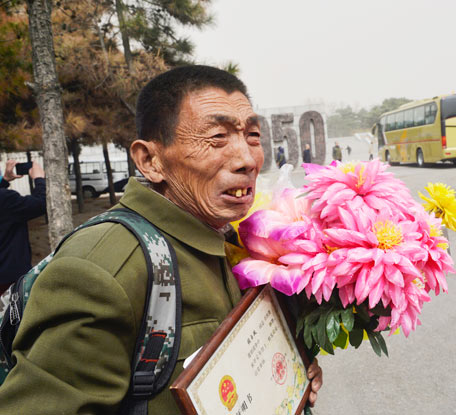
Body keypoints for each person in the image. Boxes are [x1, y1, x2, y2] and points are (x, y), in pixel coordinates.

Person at [0, 65, 322, 414]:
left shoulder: (229, 239)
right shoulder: (101, 269)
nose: (247, 159)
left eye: (253, 136)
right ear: (150, 160)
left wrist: (288, 376)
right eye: (217, 137)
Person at [0, 160, 46, 294]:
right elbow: (42, 204)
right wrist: (39, 178)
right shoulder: (6, 199)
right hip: (9, 280)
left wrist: (5, 180)